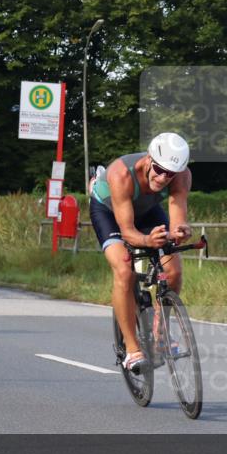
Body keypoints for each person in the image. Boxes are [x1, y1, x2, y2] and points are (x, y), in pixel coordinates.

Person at [89, 133, 193, 372]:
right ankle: (132, 350)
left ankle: (160, 335)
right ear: (149, 159)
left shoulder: (182, 176)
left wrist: (180, 231)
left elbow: (177, 219)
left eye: (171, 173)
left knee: (173, 269)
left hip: (147, 211)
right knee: (124, 271)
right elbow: (127, 232)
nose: (163, 177)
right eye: (159, 169)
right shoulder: (121, 173)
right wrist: (148, 240)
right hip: (109, 213)